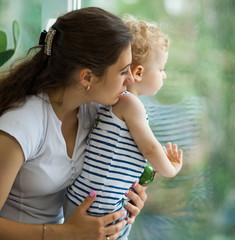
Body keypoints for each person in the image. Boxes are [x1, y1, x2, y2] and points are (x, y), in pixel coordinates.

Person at [0, 7, 148, 240]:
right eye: (123, 72)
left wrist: (123, 200)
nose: (130, 81)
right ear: (87, 77)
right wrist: (65, 233)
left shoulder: (93, 113)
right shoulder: (23, 124)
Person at [64, 15, 183, 239]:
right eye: (161, 69)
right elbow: (150, 148)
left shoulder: (113, 102)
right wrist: (171, 169)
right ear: (138, 73)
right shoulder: (130, 104)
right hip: (100, 206)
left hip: (83, 198)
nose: (164, 75)